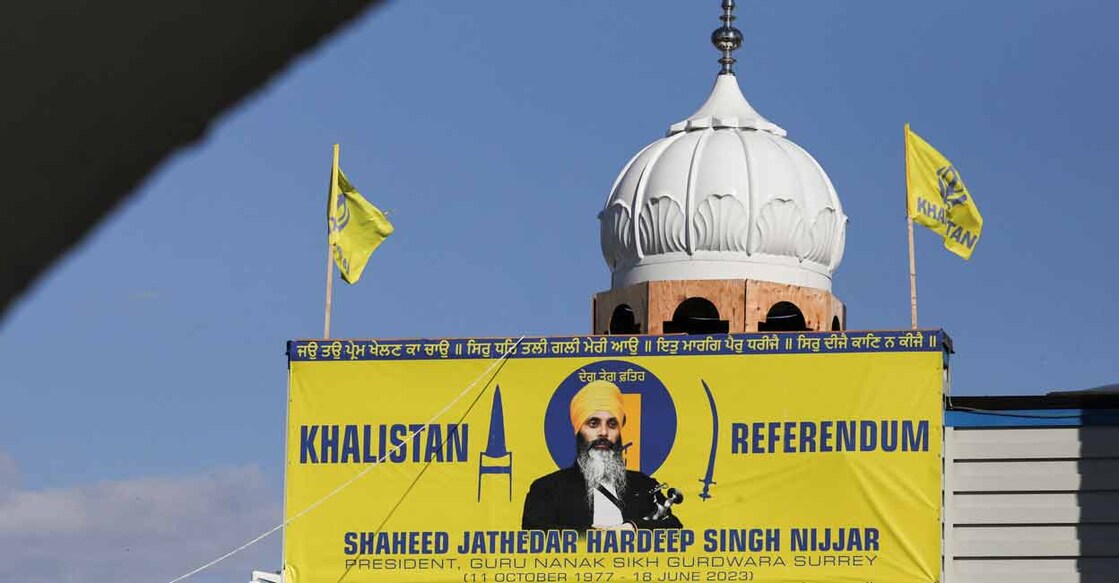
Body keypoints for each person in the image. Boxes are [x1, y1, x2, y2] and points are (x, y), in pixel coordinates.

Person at [521, 380, 683, 531]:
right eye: (593, 423)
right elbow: (534, 536)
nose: (604, 432)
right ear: (579, 431)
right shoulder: (547, 489)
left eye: (612, 424)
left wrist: (632, 528)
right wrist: (601, 539)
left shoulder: (643, 485)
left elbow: (675, 528)